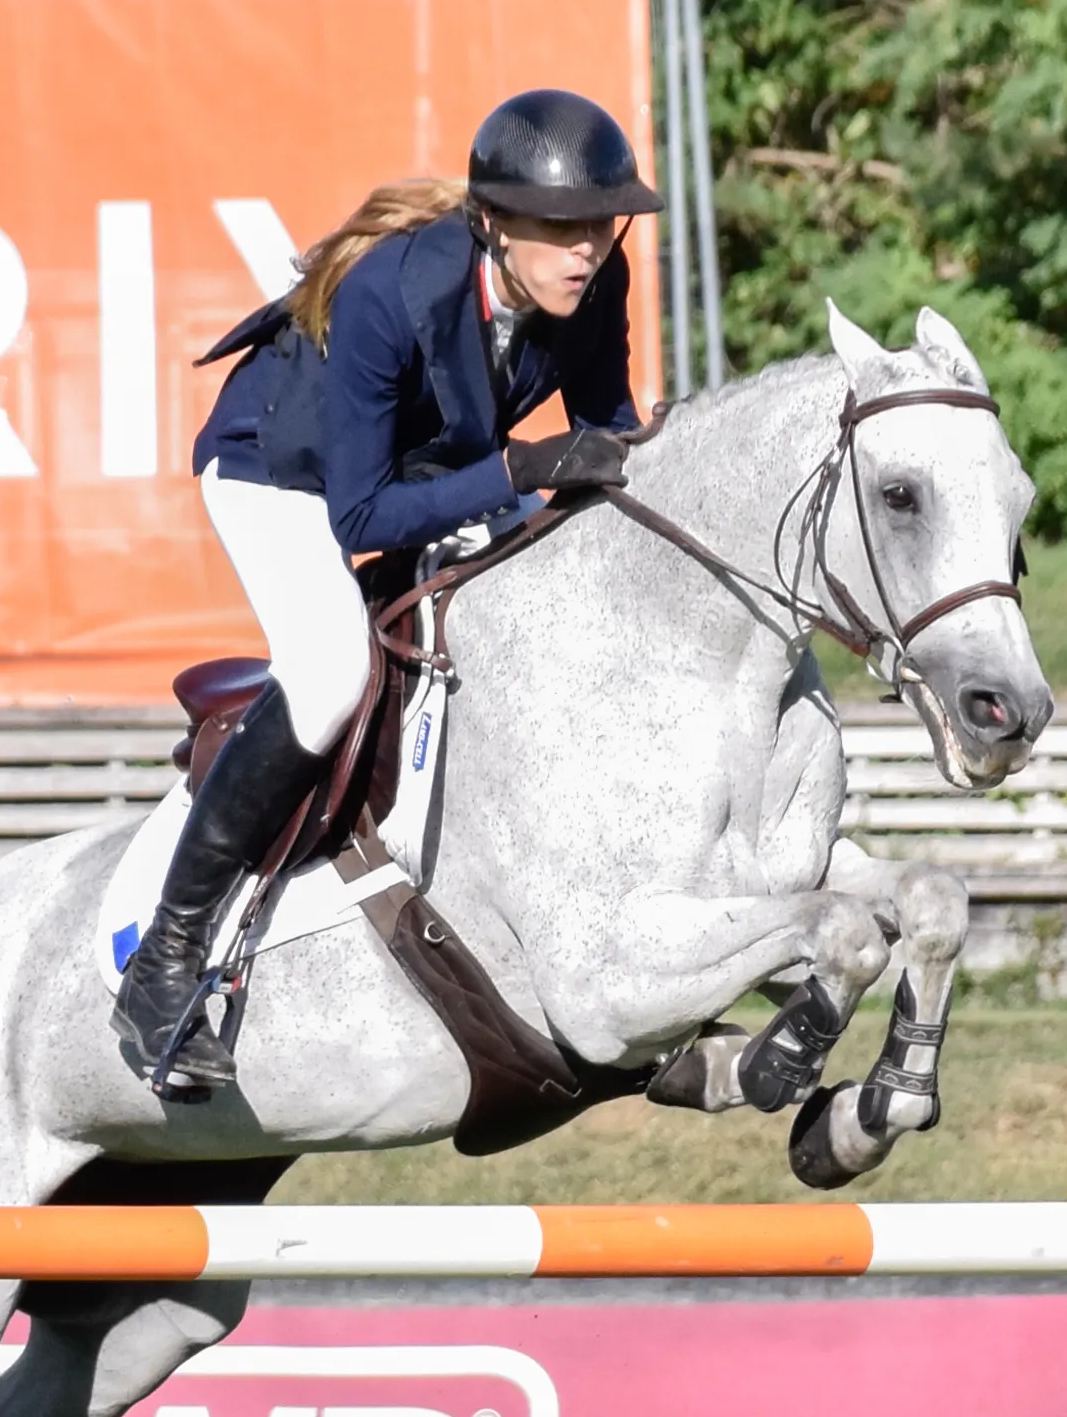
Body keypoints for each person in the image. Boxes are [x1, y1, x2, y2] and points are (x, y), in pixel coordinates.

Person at [113, 86, 663, 1092]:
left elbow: (609, 434)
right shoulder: (388, 291)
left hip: (413, 473)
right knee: (329, 672)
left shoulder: (595, 280)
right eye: (558, 228)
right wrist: (520, 470)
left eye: (597, 222)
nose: (584, 248)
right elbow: (358, 518)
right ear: (492, 223)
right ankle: (163, 961)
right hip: (279, 473)